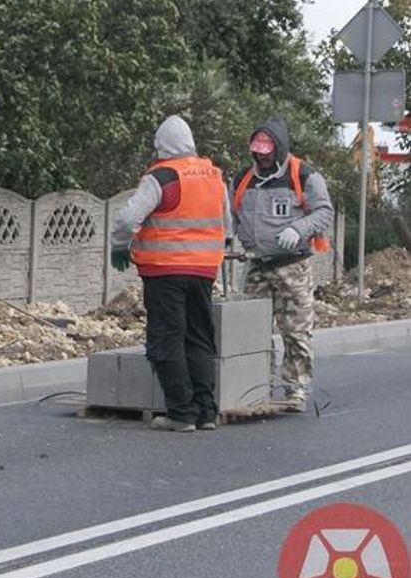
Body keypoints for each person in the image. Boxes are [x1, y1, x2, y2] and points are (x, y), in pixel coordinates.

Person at [110, 115, 229, 433]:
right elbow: (226, 224)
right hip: (204, 271)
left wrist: (120, 246)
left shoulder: (162, 177)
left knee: (167, 339)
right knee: (199, 338)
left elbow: (127, 219)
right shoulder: (213, 175)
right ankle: (206, 412)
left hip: (165, 271)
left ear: (161, 145)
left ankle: (181, 413)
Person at [230, 117, 334, 411]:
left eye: (267, 149)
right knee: (251, 329)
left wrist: (299, 229)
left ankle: (295, 388)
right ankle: (255, 384)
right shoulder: (242, 180)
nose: (261, 155)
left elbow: (325, 212)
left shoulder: (304, 176)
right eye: (257, 149)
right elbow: (232, 215)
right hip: (257, 265)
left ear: (279, 148)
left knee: (295, 329)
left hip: (293, 265)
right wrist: (229, 238)